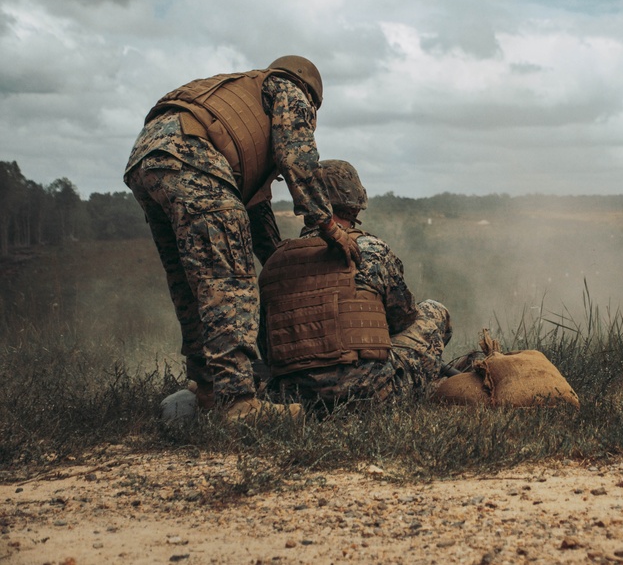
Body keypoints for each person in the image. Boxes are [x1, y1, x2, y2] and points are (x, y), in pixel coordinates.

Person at [125, 56, 360, 420]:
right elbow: (296, 158)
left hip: (148, 159)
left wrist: (282, 261)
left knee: (190, 282)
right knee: (229, 282)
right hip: (194, 156)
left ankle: (206, 387)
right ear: (312, 99)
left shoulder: (244, 103)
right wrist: (329, 228)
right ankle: (237, 402)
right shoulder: (290, 90)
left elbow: (257, 216)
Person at [257, 159, 453, 410]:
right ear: (353, 208)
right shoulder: (371, 250)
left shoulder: (275, 263)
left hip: (294, 400)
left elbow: (268, 350)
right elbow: (403, 318)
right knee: (435, 312)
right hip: (369, 395)